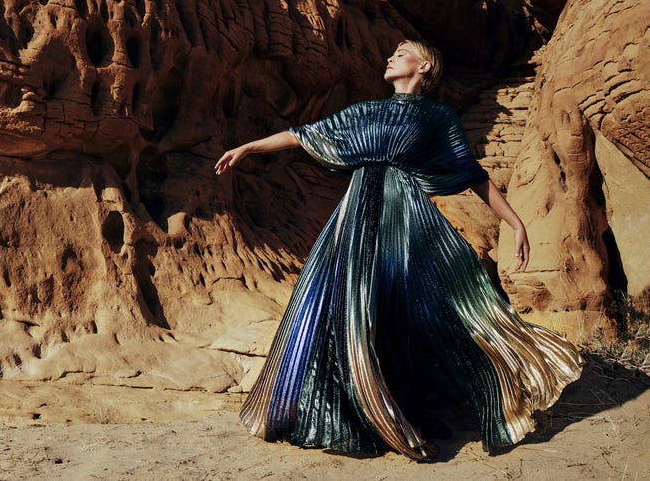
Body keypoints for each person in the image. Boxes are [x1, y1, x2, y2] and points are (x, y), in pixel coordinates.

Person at [214, 40, 582, 461]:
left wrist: (516, 222)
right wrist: (247, 147)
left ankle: (439, 397)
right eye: (390, 52)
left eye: (401, 53)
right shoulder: (367, 111)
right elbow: (302, 135)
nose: (389, 57)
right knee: (337, 305)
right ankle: (351, 409)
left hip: (405, 219)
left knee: (419, 307)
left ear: (424, 66)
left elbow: (472, 175)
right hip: (353, 220)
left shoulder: (438, 117)